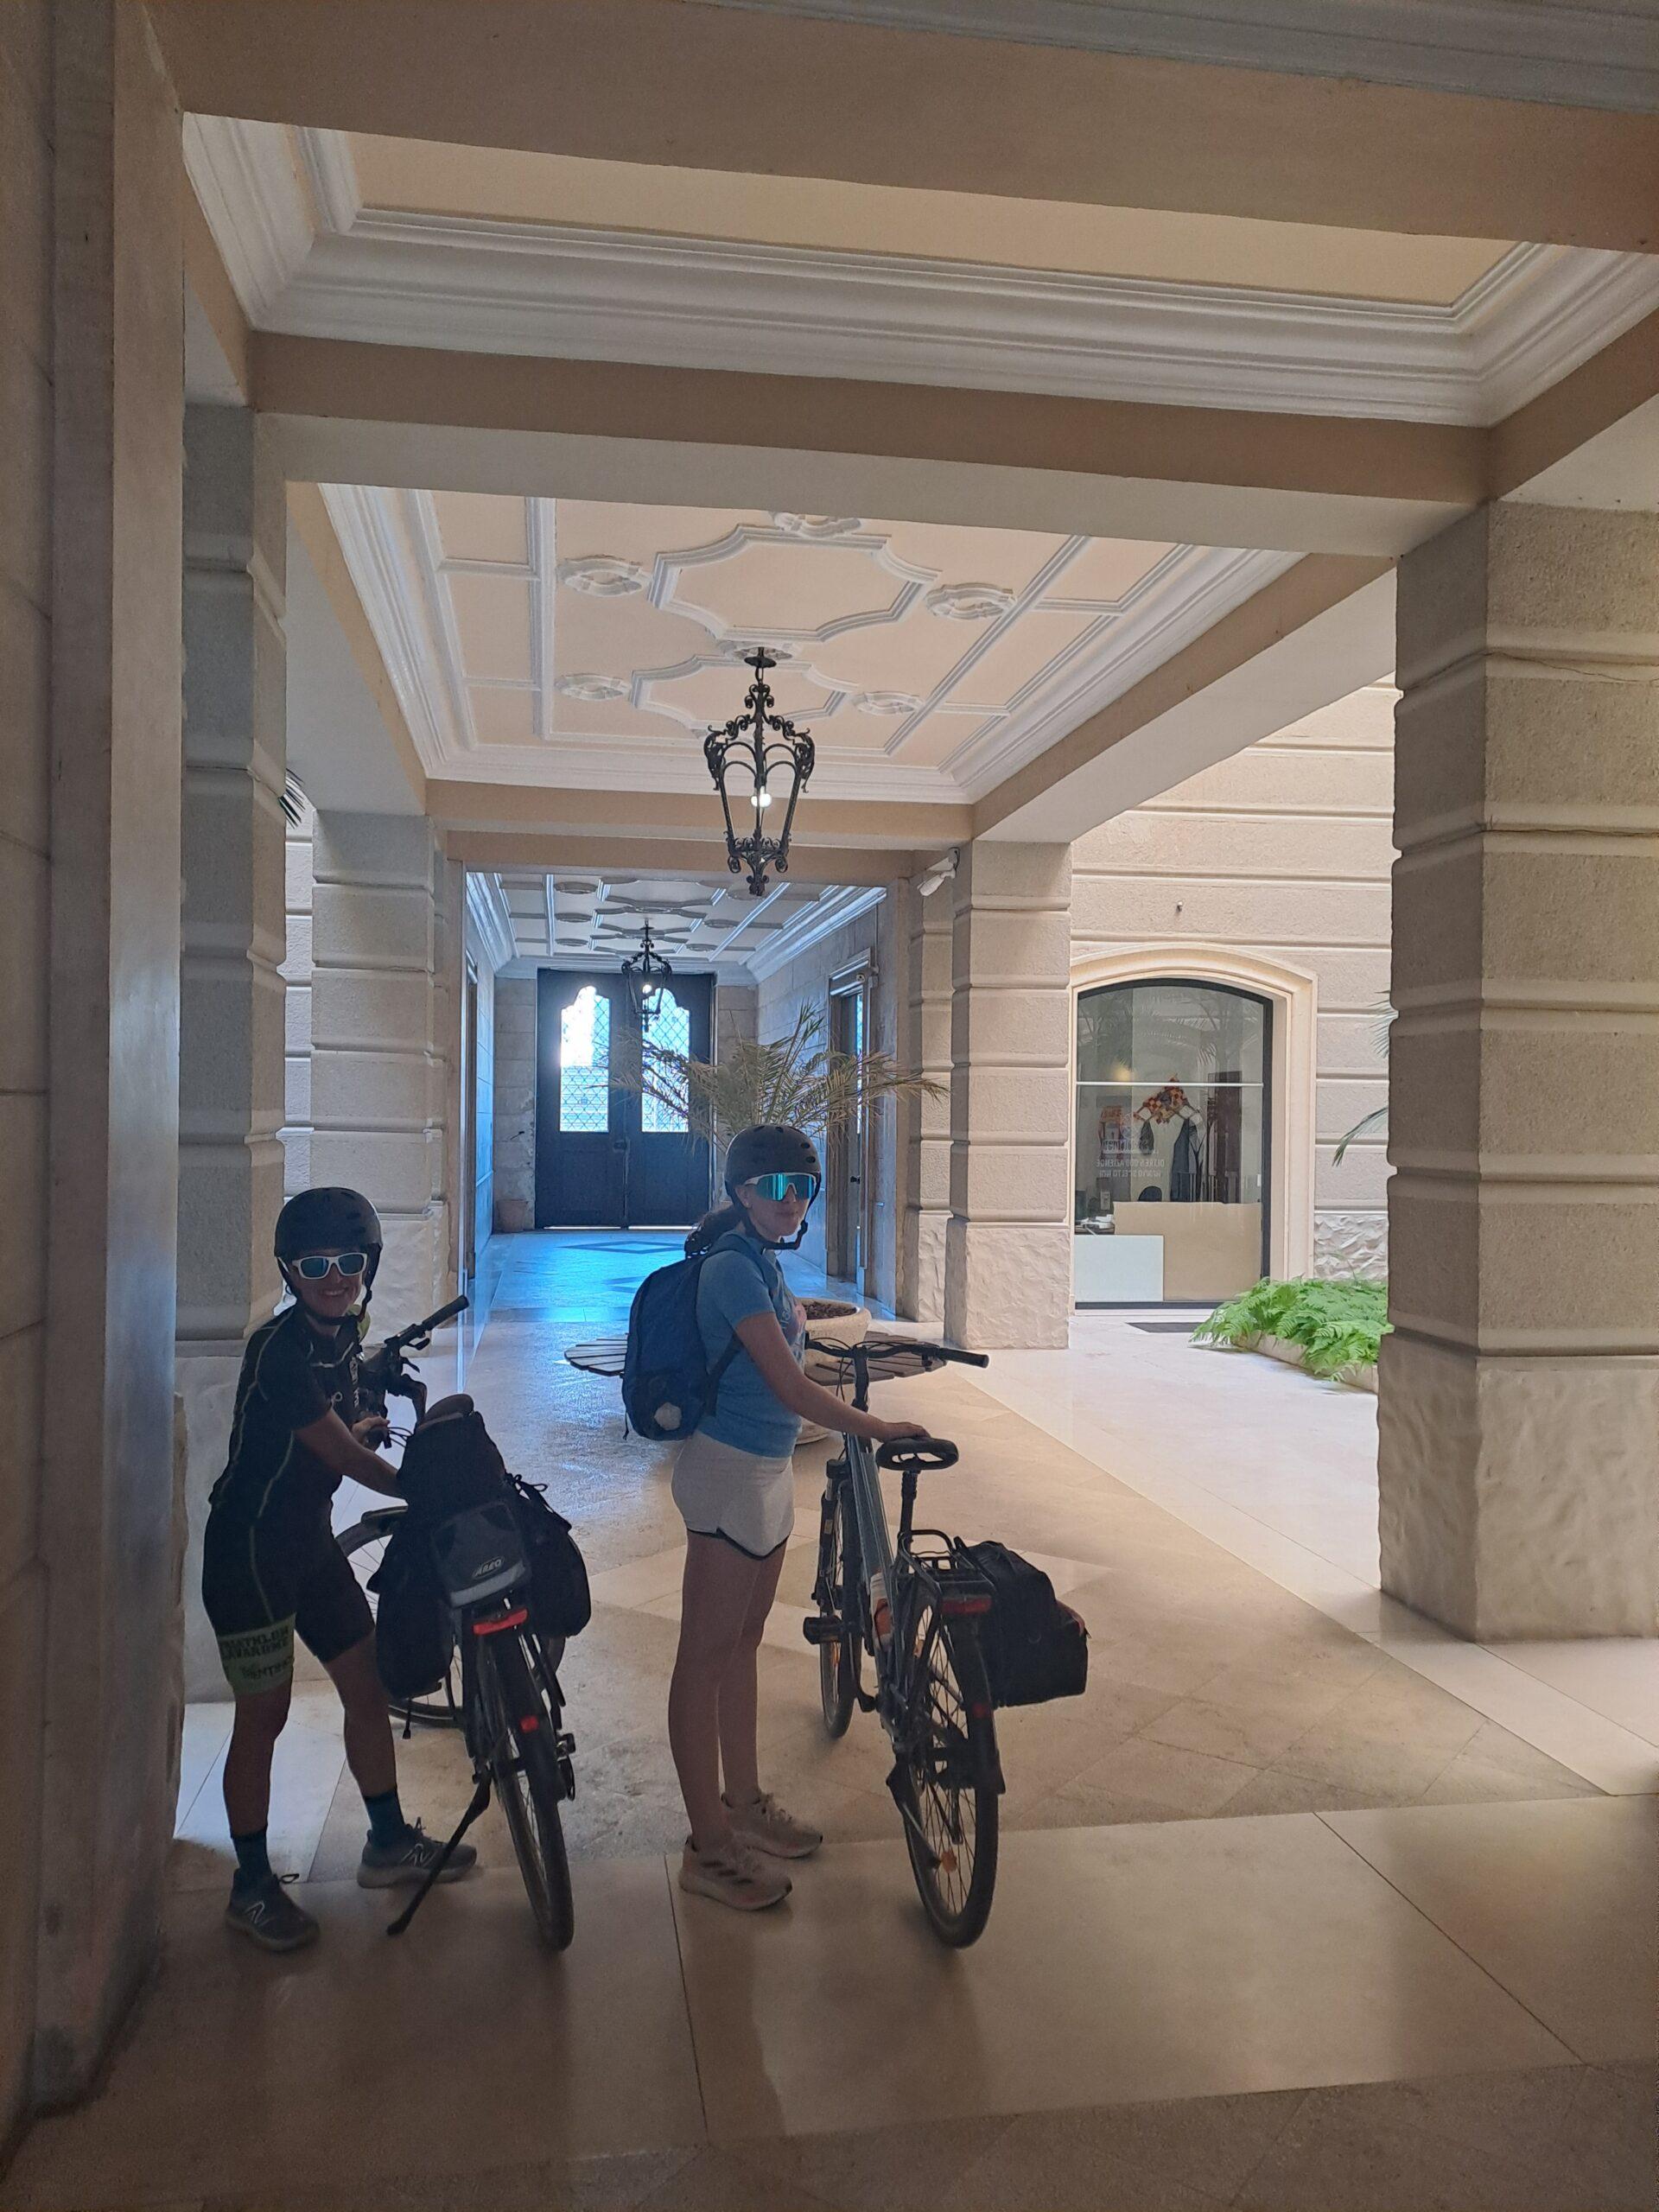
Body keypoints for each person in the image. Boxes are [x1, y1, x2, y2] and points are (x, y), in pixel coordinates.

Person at [200, 1187, 477, 1951]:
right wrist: (422, 1488)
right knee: (264, 1717)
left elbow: (338, 1418)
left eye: (350, 1262)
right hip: (250, 1553)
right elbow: (345, 1456)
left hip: (310, 1544)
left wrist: (361, 1413)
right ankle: (250, 1887)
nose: (335, 1278)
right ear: (289, 1270)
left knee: (364, 1684)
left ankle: (386, 1841)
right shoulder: (279, 1351)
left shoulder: (344, 1334)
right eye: (315, 1265)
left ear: (369, 1266)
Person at [669, 1125, 929, 1912]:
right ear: (742, 1193)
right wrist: (875, 1427)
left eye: (804, 1188)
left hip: (766, 1471)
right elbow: (789, 1385)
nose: (793, 1202)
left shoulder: (761, 1261)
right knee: (702, 1659)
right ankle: (708, 1846)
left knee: (742, 1644)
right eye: (778, 1188)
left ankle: (743, 1804)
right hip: (727, 1475)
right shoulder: (730, 1270)